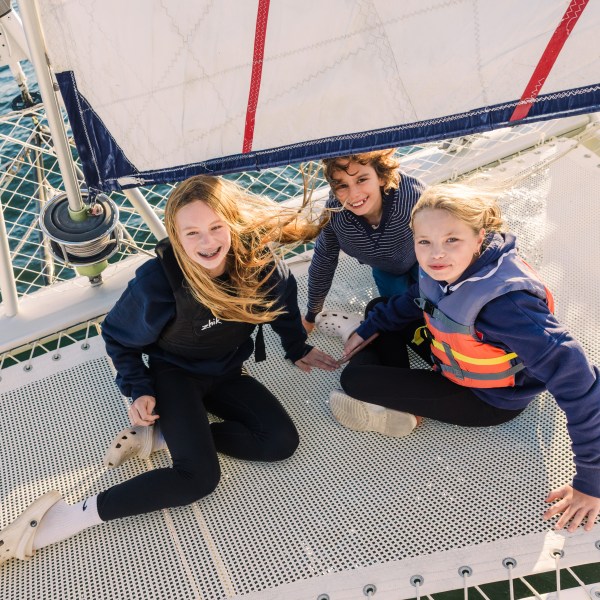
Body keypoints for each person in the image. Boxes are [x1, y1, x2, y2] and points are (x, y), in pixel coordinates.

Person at [0, 175, 338, 565]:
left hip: (228, 371)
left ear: (232, 223)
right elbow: (118, 338)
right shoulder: (158, 283)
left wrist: (296, 347)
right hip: (175, 376)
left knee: (279, 442)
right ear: (176, 235)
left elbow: (281, 305)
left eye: (215, 228)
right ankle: (61, 518)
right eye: (191, 232)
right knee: (198, 478)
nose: (207, 242)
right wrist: (138, 389)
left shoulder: (260, 266)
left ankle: (169, 436)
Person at [331, 182, 600, 532]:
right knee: (379, 310)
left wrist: (591, 482)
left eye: (451, 240)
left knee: (354, 380)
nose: (435, 254)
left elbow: (582, 383)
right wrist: (369, 329)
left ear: (479, 238)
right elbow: (417, 296)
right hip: (453, 356)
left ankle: (400, 406)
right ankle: (400, 399)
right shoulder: (449, 266)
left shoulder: (508, 307)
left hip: (488, 398)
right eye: (424, 242)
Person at [301, 149, 425, 337]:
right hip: (387, 269)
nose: (354, 194)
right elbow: (323, 263)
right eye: (342, 185)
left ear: (381, 177)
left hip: (423, 259)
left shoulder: (412, 196)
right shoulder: (335, 217)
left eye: (361, 179)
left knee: (435, 301)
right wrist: (311, 315)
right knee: (405, 316)